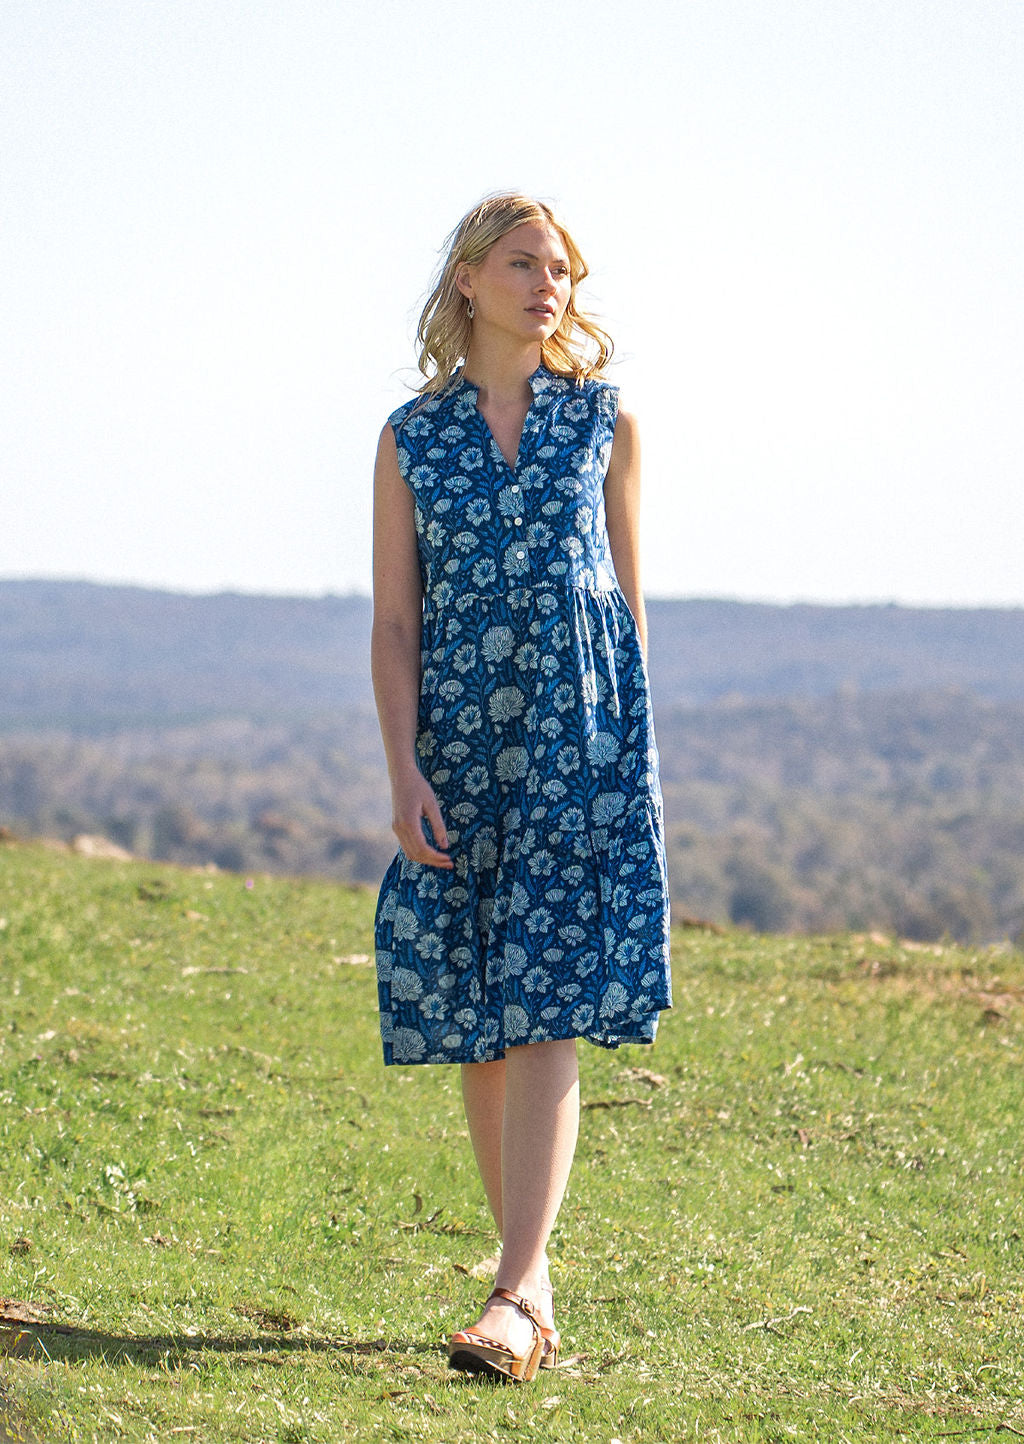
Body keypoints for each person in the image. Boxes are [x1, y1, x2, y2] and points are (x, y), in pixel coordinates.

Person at [371, 192, 672, 1383]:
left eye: (561, 269)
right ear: (467, 281)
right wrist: (401, 766)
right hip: (456, 746)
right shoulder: (410, 436)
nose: (547, 285)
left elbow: (628, 607)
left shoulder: (605, 421)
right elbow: (396, 621)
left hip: (579, 741)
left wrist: (635, 768)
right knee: (482, 1012)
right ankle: (527, 1278)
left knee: (546, 1001)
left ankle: (514, 1289)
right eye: (522, 263)